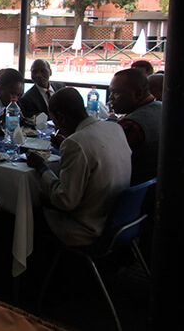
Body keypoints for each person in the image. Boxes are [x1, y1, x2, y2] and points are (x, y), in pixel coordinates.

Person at [27, 87, 131, 247]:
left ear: (61, 118)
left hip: (86, 228)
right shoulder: (115, 128)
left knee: (25, 208)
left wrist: (42, 168)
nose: (56, 126)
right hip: (118, 220)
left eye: (54, 120)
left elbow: (65, 200)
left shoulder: (76, 143)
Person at [109, 68, 162, 185]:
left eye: (116, 93)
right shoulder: (161, 107)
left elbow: (108, 161)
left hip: (132, 186)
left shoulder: (131, 126)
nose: (110, 98)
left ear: (138, 94)